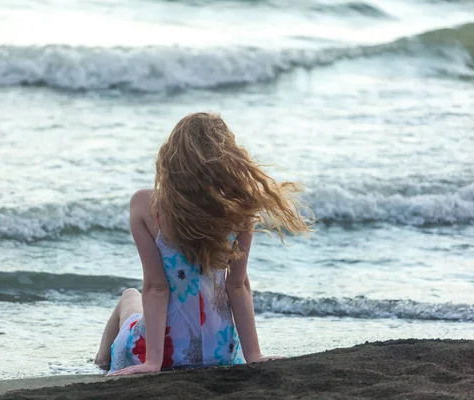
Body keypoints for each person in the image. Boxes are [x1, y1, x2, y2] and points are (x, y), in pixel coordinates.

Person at [94, 112, 312, 376]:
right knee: (137, 298)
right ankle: (101, 361)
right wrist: (253, 356)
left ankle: (99, 361)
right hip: (220, 351)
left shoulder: (146, 205)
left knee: (130, 296)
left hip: (166, 351)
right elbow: (237, 284)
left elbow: (156, 287)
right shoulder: (240, 209)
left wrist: (153, 363)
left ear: (172, 159)